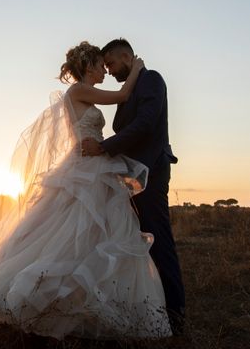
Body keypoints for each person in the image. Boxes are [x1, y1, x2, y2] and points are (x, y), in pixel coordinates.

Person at [0, 41, 171, 348]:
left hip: (94, 165)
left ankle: (80, 307)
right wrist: (139, 69)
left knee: (89, 237)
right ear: (88, 66)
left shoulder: (83, 95)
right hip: (85, 168)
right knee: (69, 237)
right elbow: (122, 95)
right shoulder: (78, 91)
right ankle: (45, 305)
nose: (105, 69)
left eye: (108, 65)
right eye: (100, 65)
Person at [81, 38, 185, 333]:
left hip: (151, 170)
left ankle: (176, 315)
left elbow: (146, 123)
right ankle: (149, 305)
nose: (110, 70)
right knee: (139, 239)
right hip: (131, 177)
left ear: (126, 56)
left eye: (112, 63)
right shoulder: (133, 86)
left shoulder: (152, 79)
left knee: (158, 236)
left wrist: (103, 147)